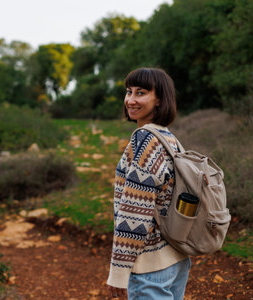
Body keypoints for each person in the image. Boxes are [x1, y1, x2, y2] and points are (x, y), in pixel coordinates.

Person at [106, 67, 191, 299]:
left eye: (141, 93)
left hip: (150, 265)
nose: (130, 100)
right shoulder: (169, 138)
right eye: (128, 92)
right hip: (177, 258)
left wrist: (119, 271)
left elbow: (135, 211)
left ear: (159, 100)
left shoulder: (144, 140)